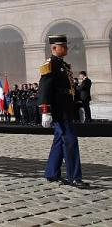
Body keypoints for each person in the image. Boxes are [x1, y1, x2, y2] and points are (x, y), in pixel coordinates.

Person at [39, 35, 89, 188]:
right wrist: (45, 111)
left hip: (67, 109)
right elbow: (45, 88)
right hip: (59, 111)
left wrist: (79, 105)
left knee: (59, 141)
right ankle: (74, 177)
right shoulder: (50, 65)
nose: (67, 48)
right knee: (70, 141)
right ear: (54, 48)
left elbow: (71, 89)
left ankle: (52, 172)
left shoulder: (65, 66)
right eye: (64, 46)